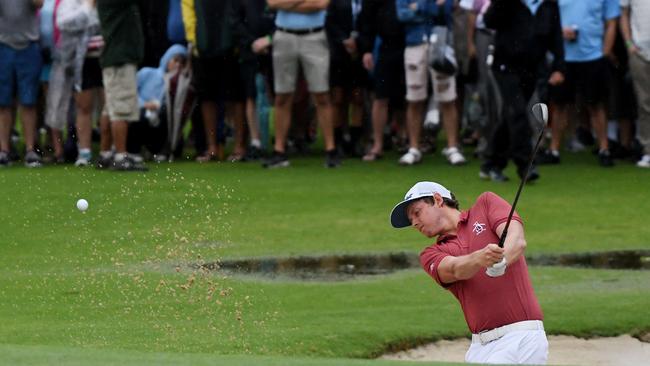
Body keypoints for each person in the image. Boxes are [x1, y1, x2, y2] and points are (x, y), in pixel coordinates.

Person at [390, 181, 548, 364]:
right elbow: (454, 269)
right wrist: (479, 259)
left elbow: (516, 239)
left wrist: (503, 260)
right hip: (478, 348)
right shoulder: (431, 254)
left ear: (438, 199)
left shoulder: (486, 204)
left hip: (520, 337)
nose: (414, 223)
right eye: (411, 221)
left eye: (417, 213)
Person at [480, 0, 565, 182]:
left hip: (531, 69)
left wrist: (559, 67)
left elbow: (556, 36)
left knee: (510, 115)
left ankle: (492, 163)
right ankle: (525, 165)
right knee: (518, 113)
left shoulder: (548, 4)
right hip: (505, 67)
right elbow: (489, 21)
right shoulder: (509, 3)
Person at [541, 0, 619, 167]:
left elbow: (611, 23)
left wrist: (604, 54)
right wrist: (559, 33)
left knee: (596, 104)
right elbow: (548, 18)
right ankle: (553, 150)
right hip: (563, 57)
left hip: (593, 56)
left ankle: (604, 149)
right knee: (560, 104)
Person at [264, 0, 340, 168]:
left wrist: (288, 3)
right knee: (282, 96)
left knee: (322, 95)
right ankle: (279, 151)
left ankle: (331, 150)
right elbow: (272, 3)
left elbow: (321, 4)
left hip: (314, 36)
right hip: (284, 36)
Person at [395, 0, 467, 166]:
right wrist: (429, 6)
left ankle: (452, 147)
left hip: (440, 43)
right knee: (414, 98)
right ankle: (413, 148)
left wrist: (418, 7)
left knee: (447, 98)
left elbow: (446, 10)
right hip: (415, 43)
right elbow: (402, 14)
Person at [97, 0, 147, 171]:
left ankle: (105, 154)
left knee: (110, 108)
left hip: (115, 57)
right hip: (120, 59)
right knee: (120, 109)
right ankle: (120, 155)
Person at [357, 0, 406, 161]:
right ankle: (377, 144)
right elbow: (366, 20)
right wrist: (366, 49)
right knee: (380, 96)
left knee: (410, 98)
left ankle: (406, 140)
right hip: (386, 46)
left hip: (412, 43)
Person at [0, 0, 44, 168]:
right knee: (3, 103)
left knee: (29, 102)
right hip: (3, 46)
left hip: (28, 46)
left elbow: (39, 3)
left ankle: (30, 150)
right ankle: (4, 151)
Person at [620, 0, 650, 168]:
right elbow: (624, 15)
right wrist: (629, 43)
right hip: (639, 52)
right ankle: (648, 151)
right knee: (645, 103)